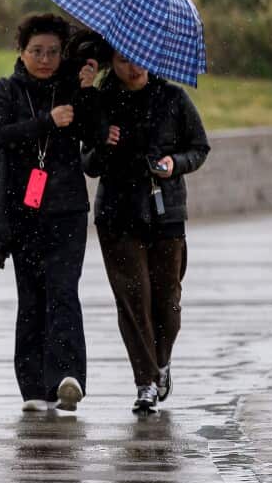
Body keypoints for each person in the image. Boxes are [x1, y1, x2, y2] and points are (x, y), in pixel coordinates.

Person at [82, 42, 210, 414]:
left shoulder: (173, 97)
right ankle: (146, 382)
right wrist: (104, 143)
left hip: (165, 212)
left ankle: (162, 361)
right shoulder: (101, 100)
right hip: (117, 215)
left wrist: (175, 163)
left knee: (167, 301)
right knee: (133, 300)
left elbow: (199, 147)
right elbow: (88, 163)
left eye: (139, 57)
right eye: (123, 60)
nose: (133, 66)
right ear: (112, 63)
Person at [0, 13, 99, 413]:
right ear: (21, 51)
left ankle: (67, 378)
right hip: (23, 210)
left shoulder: (70, 87)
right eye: (37, 51)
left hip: (67, 208)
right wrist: (45, 122)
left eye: (52, 51)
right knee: (31, 297)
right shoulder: (6, 91)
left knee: (63, 291)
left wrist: (85, 90)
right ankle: (33, 387)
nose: (45, 59)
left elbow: (94, 134)